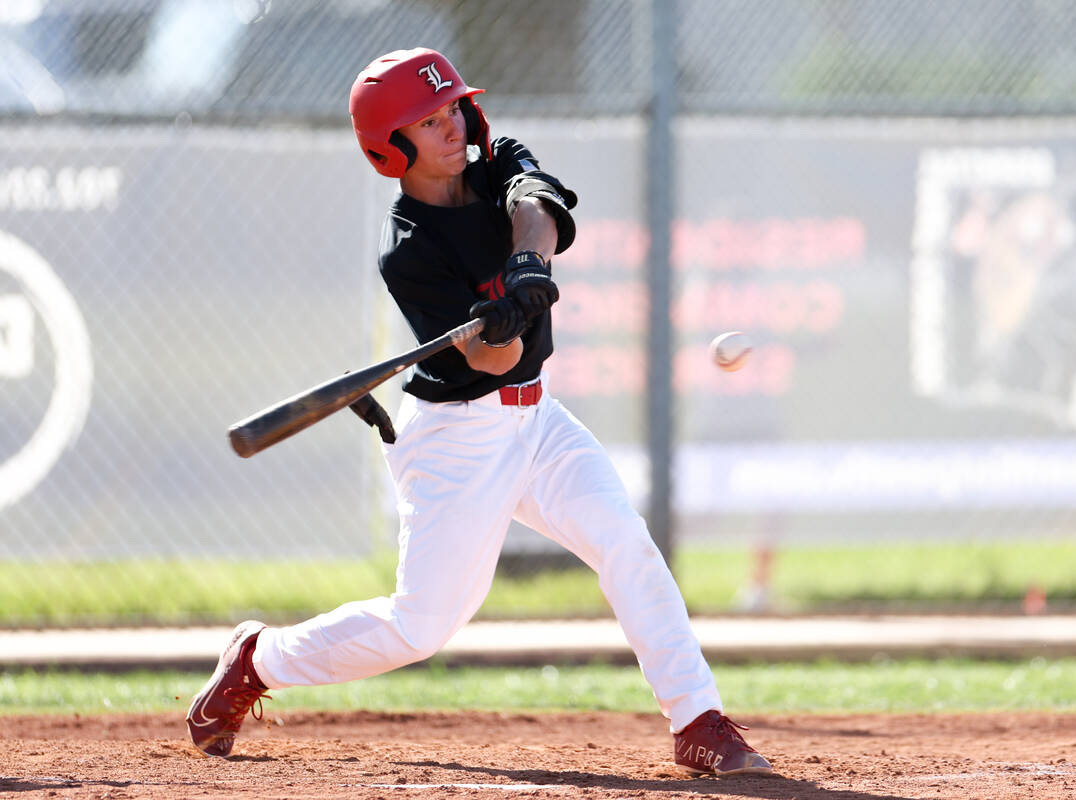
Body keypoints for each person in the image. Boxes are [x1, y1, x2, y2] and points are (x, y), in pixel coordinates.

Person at [186, 47, 772, 778]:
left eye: (454, 107)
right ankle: (258, 658)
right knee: (422, 626)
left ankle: (697, 721)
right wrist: (501, 327)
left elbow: (539, 208)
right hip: (455, 436)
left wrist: (529, 271)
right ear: (390, 147)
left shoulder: (493, 162)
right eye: (428, 122)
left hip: (539, 420)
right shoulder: (408, 251)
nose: (452, 126)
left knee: (625, 541)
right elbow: (492, 362)